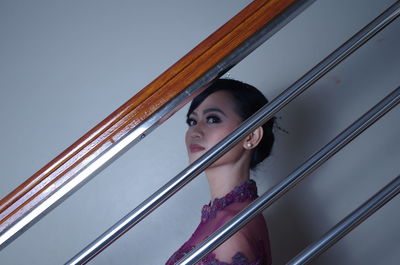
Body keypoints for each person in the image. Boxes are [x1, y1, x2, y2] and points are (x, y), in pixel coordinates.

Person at [166, 79, 275, 265]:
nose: (195, 132)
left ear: (251, 136)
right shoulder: (228, 214)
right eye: (192, 121)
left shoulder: (231, 231)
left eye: (212, 119)